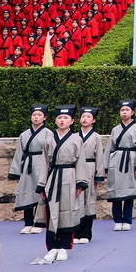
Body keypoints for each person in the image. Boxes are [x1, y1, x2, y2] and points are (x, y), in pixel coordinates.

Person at [34, 105, 89, 263]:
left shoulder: (77, 140)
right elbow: (44, 163)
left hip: (69, 176)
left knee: (67, 212)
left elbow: (81, 162)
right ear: (55, 121)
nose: (62, 120)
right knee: (51, 211)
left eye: (65, 118)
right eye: (59, 118)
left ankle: (64, 246)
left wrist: (80, 183)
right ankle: (52, 247)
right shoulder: (49, 140)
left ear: (72, 121)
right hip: (53, 177)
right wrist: (42, 184)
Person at [104, 99, 136, 231]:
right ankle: (117, 220)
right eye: (122, 110)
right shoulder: (115, 129)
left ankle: (127, 219)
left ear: (132, 112)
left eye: (127, 110)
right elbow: (109, 148)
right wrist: (106, 166)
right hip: (116, 160)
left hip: (131, 160)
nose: (124, 112)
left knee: (129, 191)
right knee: (116, 191)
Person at [8, 104, 48, 235]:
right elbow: (19, 153)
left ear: (44, 118)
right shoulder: (24, 135)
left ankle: (38, 222)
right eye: (34, 115)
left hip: (42, 164)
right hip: (27, 166)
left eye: (39, 115)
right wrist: (17, 172)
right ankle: (28, 223)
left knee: (40, 193)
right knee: (27, 193)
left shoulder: (48, 133)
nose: (36, 117)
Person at [74, 107, 105, 244]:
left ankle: (86, 233)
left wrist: (99, 175)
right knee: (76, 199)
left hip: (90, 168)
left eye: (88, 117)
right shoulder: (74, 136)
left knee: (89, 200)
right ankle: (75, 232)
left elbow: (99, 156)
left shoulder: (96, 137)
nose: (85, 119)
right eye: (83, 116)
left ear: (94, 120)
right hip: (76, 169)